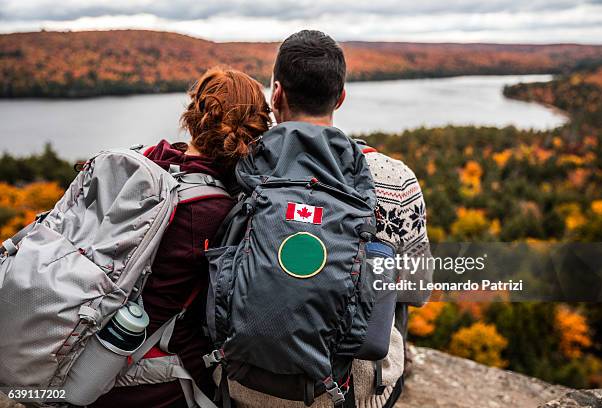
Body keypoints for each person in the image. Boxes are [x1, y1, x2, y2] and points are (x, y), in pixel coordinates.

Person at [224, 30, 432, 407]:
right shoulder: (394, 178)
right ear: (340, 97)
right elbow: (418, 291)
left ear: (276, 94)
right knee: (389, 287)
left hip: (244, 378)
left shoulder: (242, 167)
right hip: (344, 390)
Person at [91, 67, 271, 408]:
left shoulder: (146, 164)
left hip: (95, 348)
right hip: (154, 380)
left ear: (194, 117)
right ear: (253, 132)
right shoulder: (215, 210)